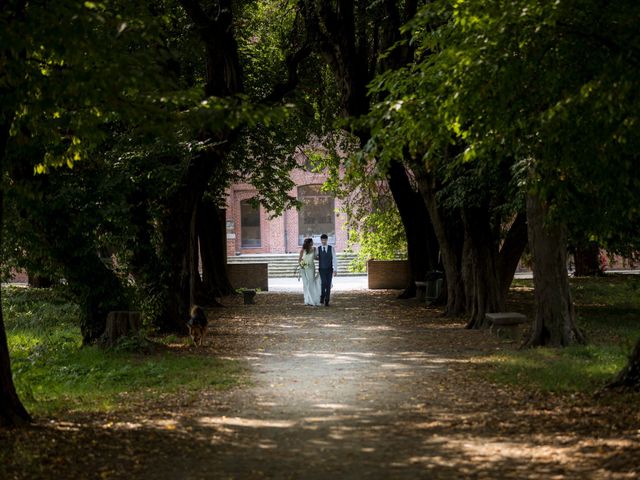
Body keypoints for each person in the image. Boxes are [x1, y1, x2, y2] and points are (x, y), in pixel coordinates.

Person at [298, 238, 322, 306]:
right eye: (312, 242)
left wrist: (323, 259)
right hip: (304, 268)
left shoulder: (314, 249)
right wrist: (302, 265)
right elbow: (299, 260)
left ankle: (313, 300)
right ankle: (307, 300)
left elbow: (315, 257)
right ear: (309, 243)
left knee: (311, 283)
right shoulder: (302, 250)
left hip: (311, 268)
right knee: (306, 284)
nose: (313, 243)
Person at [315, 233, 337, 306]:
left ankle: (327, 300)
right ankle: (322, 296)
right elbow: (316, 257)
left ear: (327, 240)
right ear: (321, 240)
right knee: (323, 283)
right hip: (321, 269)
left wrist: (335, 270)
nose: (323, 241)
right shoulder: (318, 249)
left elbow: (334, 259)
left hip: (329, 269)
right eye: (322, 240)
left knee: (328, 284)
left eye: (325, 240)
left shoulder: (331, 248)